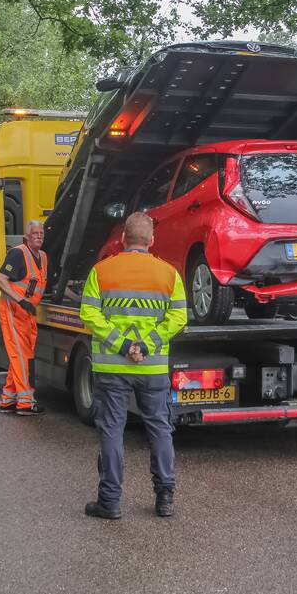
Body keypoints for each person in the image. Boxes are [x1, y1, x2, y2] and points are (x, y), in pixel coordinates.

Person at [78, 212, 188, 519]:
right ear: (152, 241)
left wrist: (123, 345)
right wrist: (147, 345)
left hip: (112, 367)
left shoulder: (102, 271)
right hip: (151, 369)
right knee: (160, 430)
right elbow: (178, 317)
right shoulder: (169, 274)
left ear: (123, 239)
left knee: (112, 431)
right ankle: (164, 498)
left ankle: (109, 502)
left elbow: (89, 315)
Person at [0, 220, 47, 416]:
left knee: (21, 355)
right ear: (26, 237)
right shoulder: (18, 253)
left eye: (41, 233)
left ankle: (8, 399)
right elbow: (0, 279)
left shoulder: (43, 256)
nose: (39, 236)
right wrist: (20, 300)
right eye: (35, 233)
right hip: (13, 310)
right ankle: (26, 402)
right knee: (21, 356)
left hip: (27, 313)